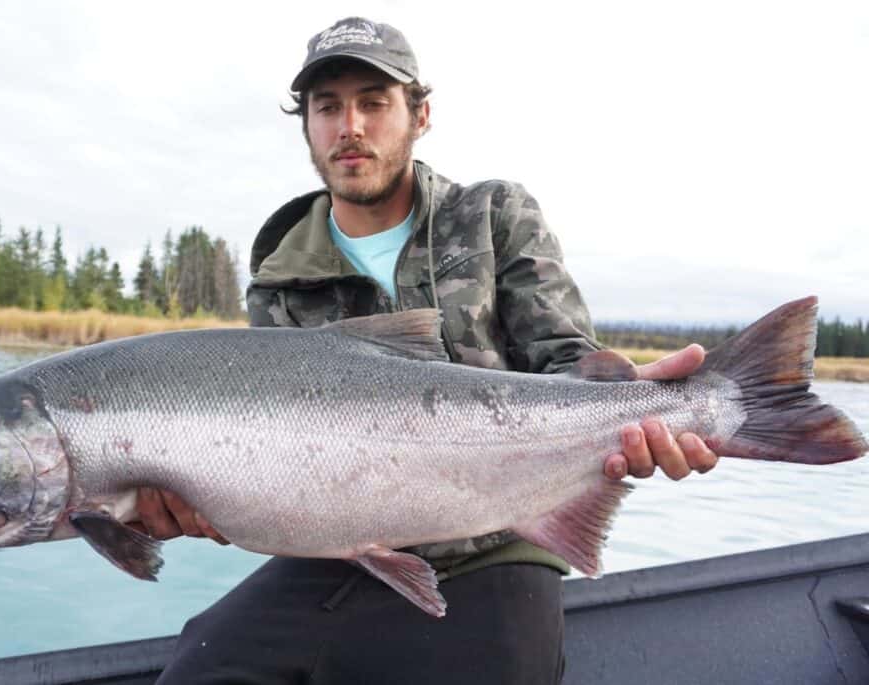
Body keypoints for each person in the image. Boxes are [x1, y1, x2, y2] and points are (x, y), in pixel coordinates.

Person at [147, 17, 720, 684]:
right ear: (306, 126)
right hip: (342, 553)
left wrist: (631, 409)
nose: (350, 126)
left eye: (373, 102)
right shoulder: (280, 277)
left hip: (500, 535)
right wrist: (196, 499)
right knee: (199, 668)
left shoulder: (493, 215)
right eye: (327, 107)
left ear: (419, 115)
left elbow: (566, 357)